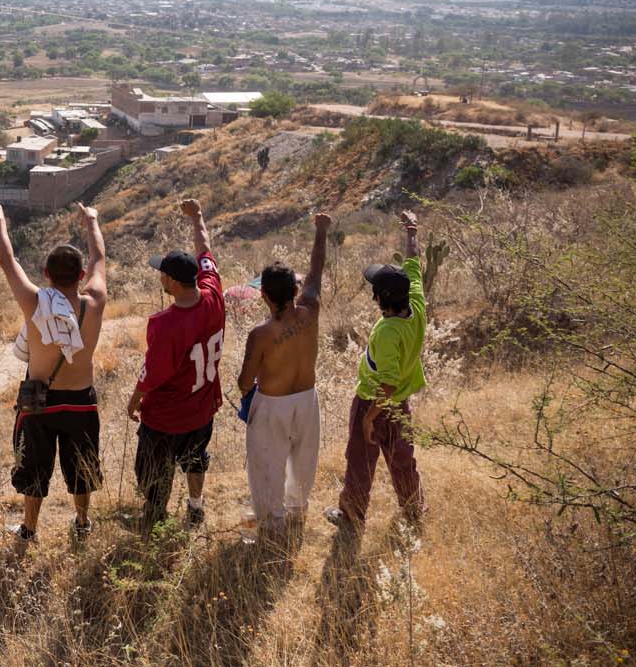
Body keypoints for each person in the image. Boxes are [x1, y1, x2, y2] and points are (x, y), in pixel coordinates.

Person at [0, 201, 108, 542]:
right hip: (82, 400)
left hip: (41, 401)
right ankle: (82, 523)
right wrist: (92, 222)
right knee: (82, 466)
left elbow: (6, 262)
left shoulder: (36, 302)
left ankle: (29, 529)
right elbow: (99, 258)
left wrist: (0, 223)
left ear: (46, 274)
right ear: (81, 276)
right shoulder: (94, 302)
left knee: (34, 468)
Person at [325, 210, 428, 531]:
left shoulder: (386, 332)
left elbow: (386, 383)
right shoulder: (416, 302)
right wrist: (411, 230)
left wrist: (369, 418)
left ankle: (352, 516)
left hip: (375, 400)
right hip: (400, 405)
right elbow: (413, 262)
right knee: (402, 459)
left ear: (380, 297)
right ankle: (413, 510)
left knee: (360, 461)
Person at [129, 198, 225, 533]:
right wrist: (197, 216)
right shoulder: (214, 292)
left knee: (153, 473)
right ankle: (195, 507)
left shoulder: (164, 323)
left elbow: (152, 374)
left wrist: (133, 401)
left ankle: (155, 520)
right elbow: (205, 249)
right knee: (196, 458)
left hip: (167, 416)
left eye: (162, 273)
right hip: (203, 405)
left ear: (170, 280)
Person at [236, 212, 330, 533]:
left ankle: (271, 524)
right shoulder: (310, 311)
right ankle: (297, 511)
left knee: (266, 466)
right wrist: (321, 230)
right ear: (295, 289)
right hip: (307, 399)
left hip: (272, 404)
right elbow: (317, 269)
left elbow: (245, 382)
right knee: (303, 461)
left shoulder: (260, 334)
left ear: (263, 295)